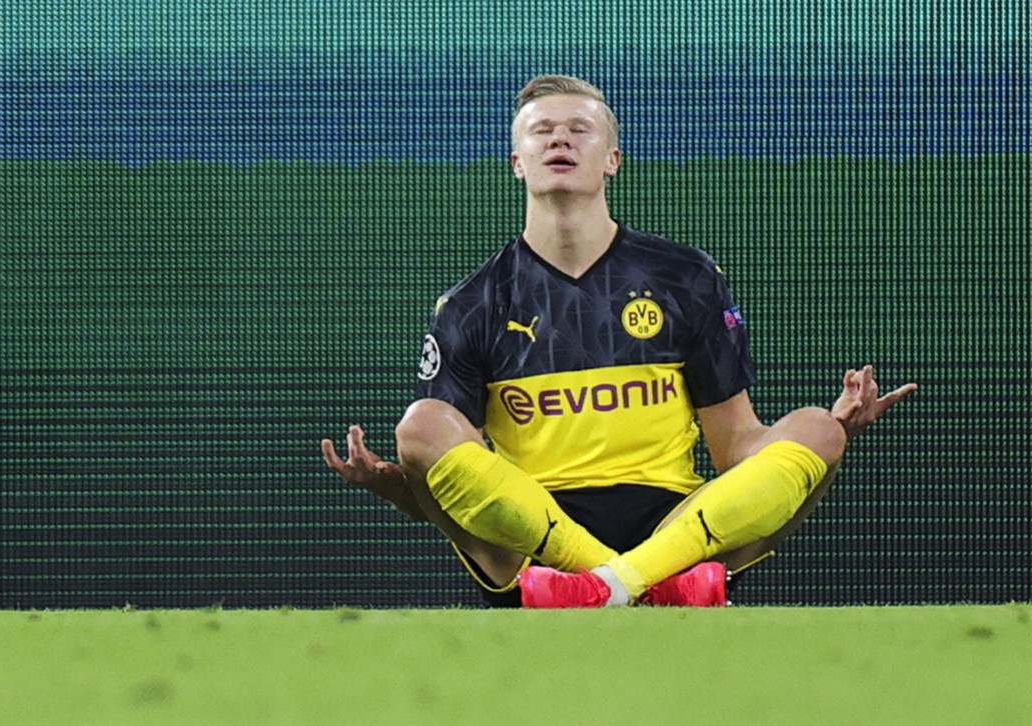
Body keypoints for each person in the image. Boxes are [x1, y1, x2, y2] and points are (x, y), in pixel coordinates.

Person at [322, 75, 917, 608]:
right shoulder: (472, 304)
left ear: (612, 159)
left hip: (676, 525)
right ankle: (630, 584)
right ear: (517, 162)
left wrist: (834, 431)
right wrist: (399, 485)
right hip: (539, 543)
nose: (560, 140)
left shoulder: (684, 276)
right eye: (542, 131)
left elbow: (737, 446)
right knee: (421, 424)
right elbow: (464, 490)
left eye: (579, 129)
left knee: (816, 427)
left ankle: (610, 586)